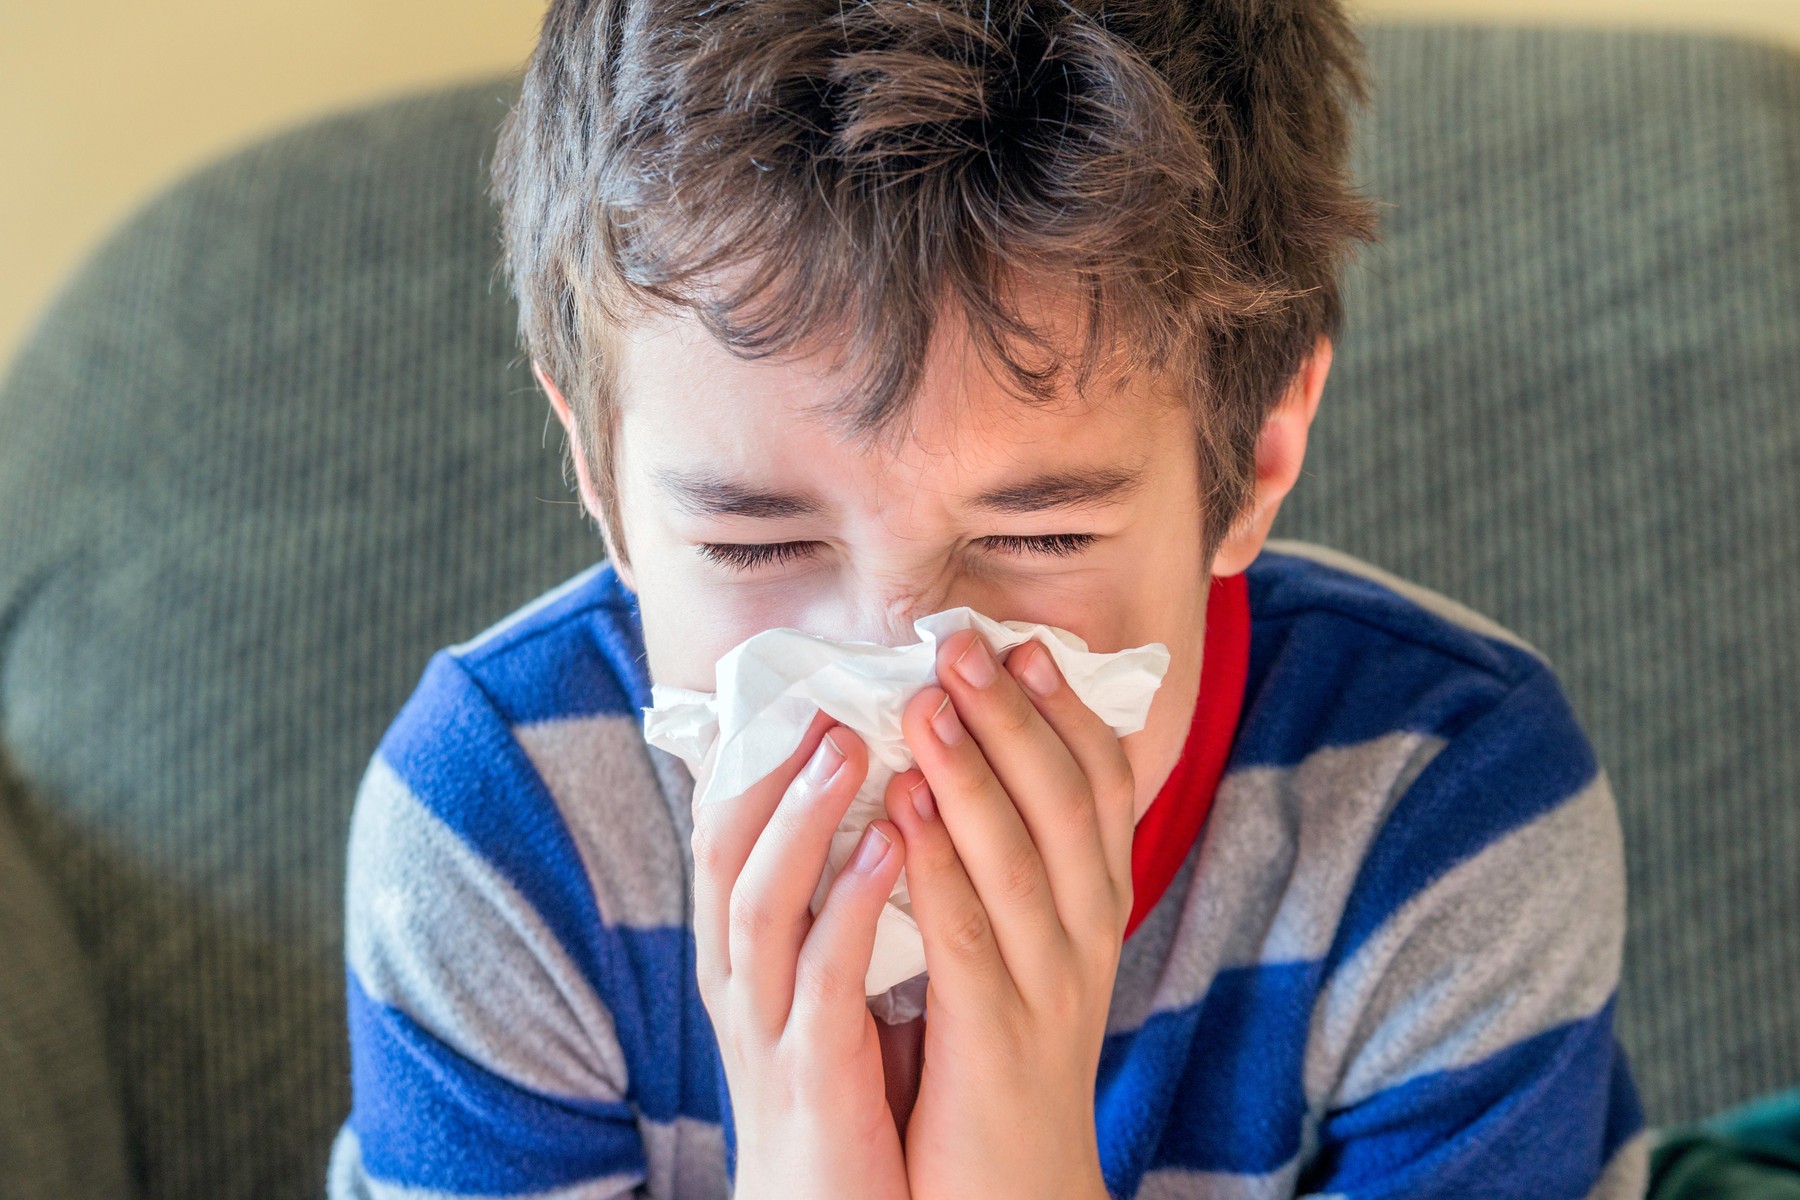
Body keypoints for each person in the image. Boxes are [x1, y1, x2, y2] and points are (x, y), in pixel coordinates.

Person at [326, 0, 1649, 1195]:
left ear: (1254, 458)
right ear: (600, 478)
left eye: (1043, 533)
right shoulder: (500, 833)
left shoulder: (1445, 811)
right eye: (749, 543)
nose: (897, 660)